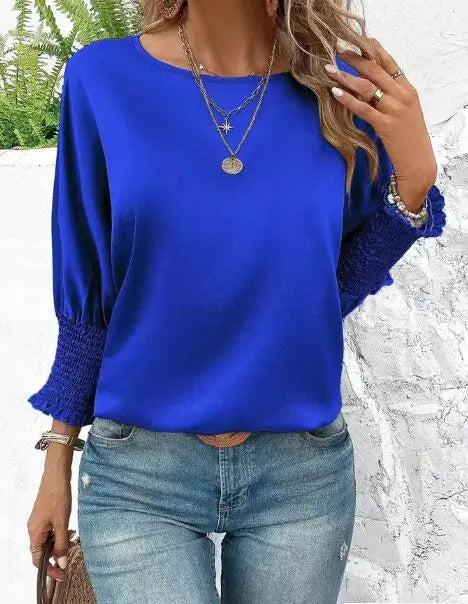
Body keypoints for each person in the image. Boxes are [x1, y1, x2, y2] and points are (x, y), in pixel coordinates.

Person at [26, 0, 446, 602]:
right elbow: (88, 292)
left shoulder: (342, 89)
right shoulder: (102, 78)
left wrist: (415, 178)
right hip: (141, 477)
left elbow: (328, 291)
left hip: (300, 477)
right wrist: (57, 460)